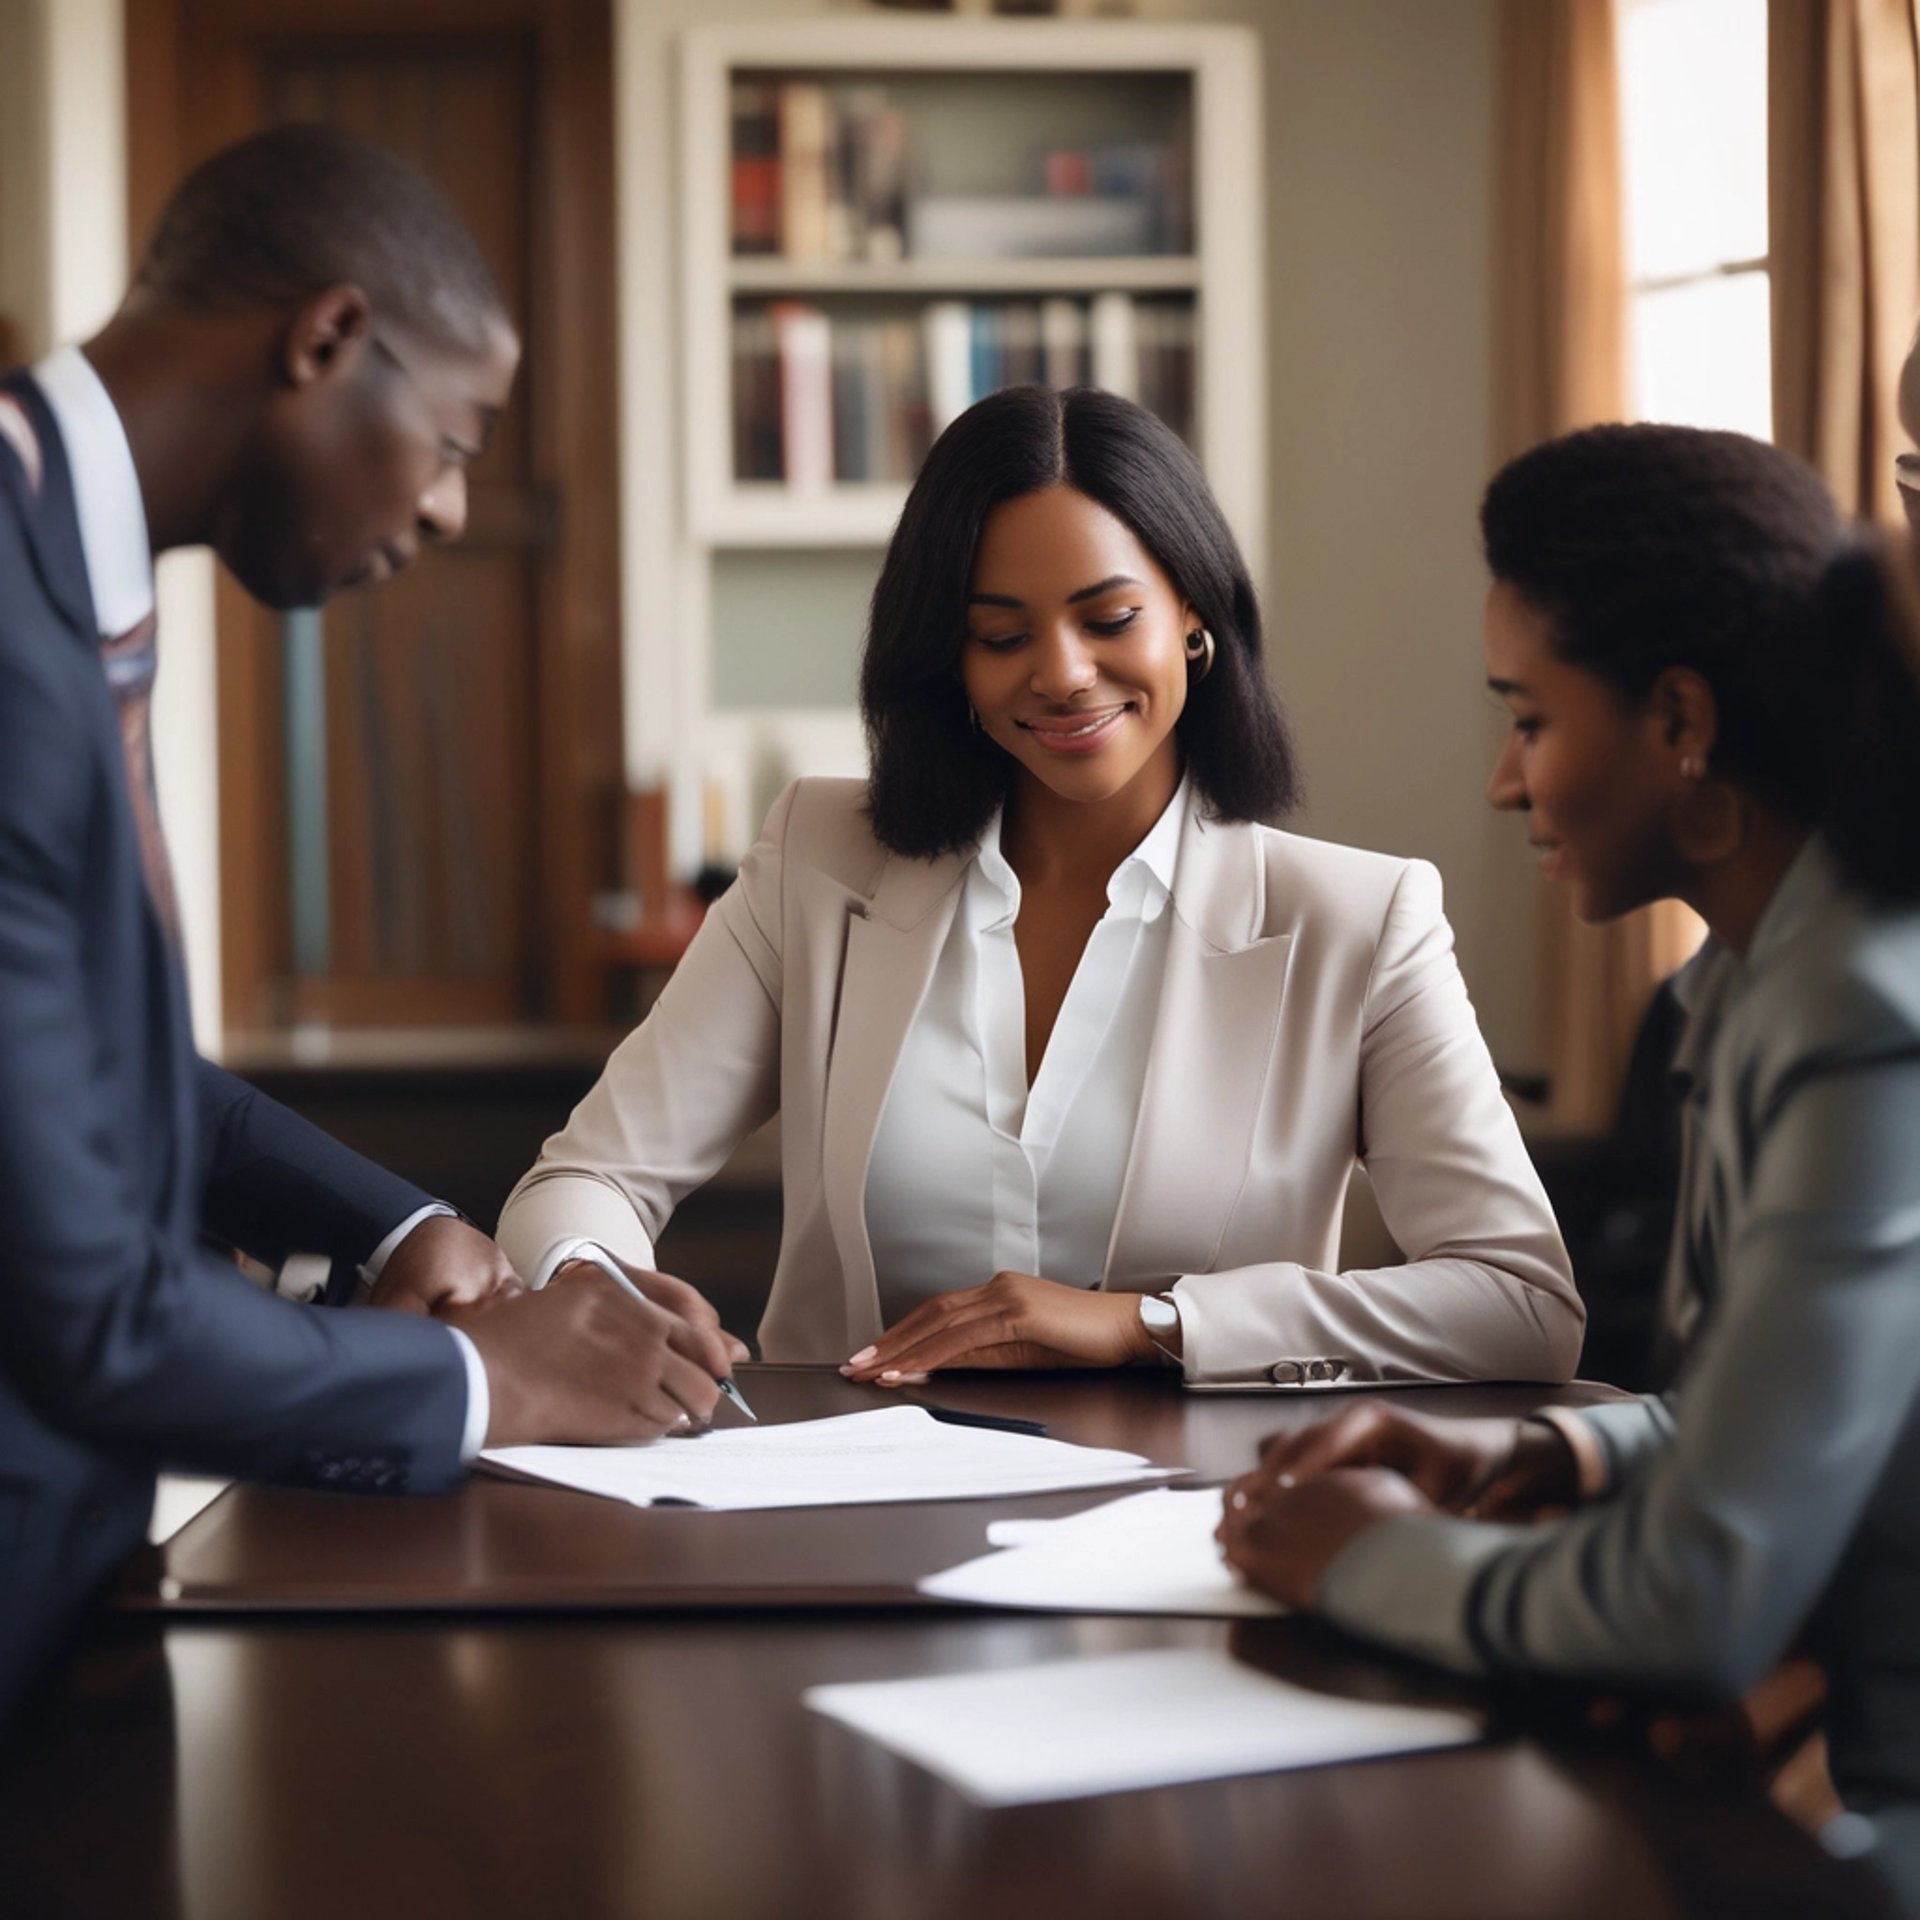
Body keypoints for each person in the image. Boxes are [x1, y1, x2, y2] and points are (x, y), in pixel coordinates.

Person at [0, 125, 743, 1721]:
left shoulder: (54, 554)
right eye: (458, 435)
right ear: (327, 339)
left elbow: (91, 1077)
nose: (460, 507)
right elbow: (91, 1315)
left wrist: (404, 1230)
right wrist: (492, 1379)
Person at [498, 386, 1581, 1386]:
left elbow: (1521, 1302)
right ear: (949, 660)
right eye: (1001, 635)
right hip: (843, 1511)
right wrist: (597, 1292)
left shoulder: (1358, 921)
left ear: (1195, 619)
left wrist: (1150, 1323)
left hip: (1196, 1525)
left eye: (1109, 620)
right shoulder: (820, 859)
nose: (1059, 672)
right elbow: (580, 1185)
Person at [1216, 423, 1920, 1910]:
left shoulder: (1861, 1012)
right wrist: (1547, 1451)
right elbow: (1795, 1423)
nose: (1500, 783)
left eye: (1529, 719)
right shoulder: (1743, 987)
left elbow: (1698, 1602)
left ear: (1682, 719)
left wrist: (1361, 1563)